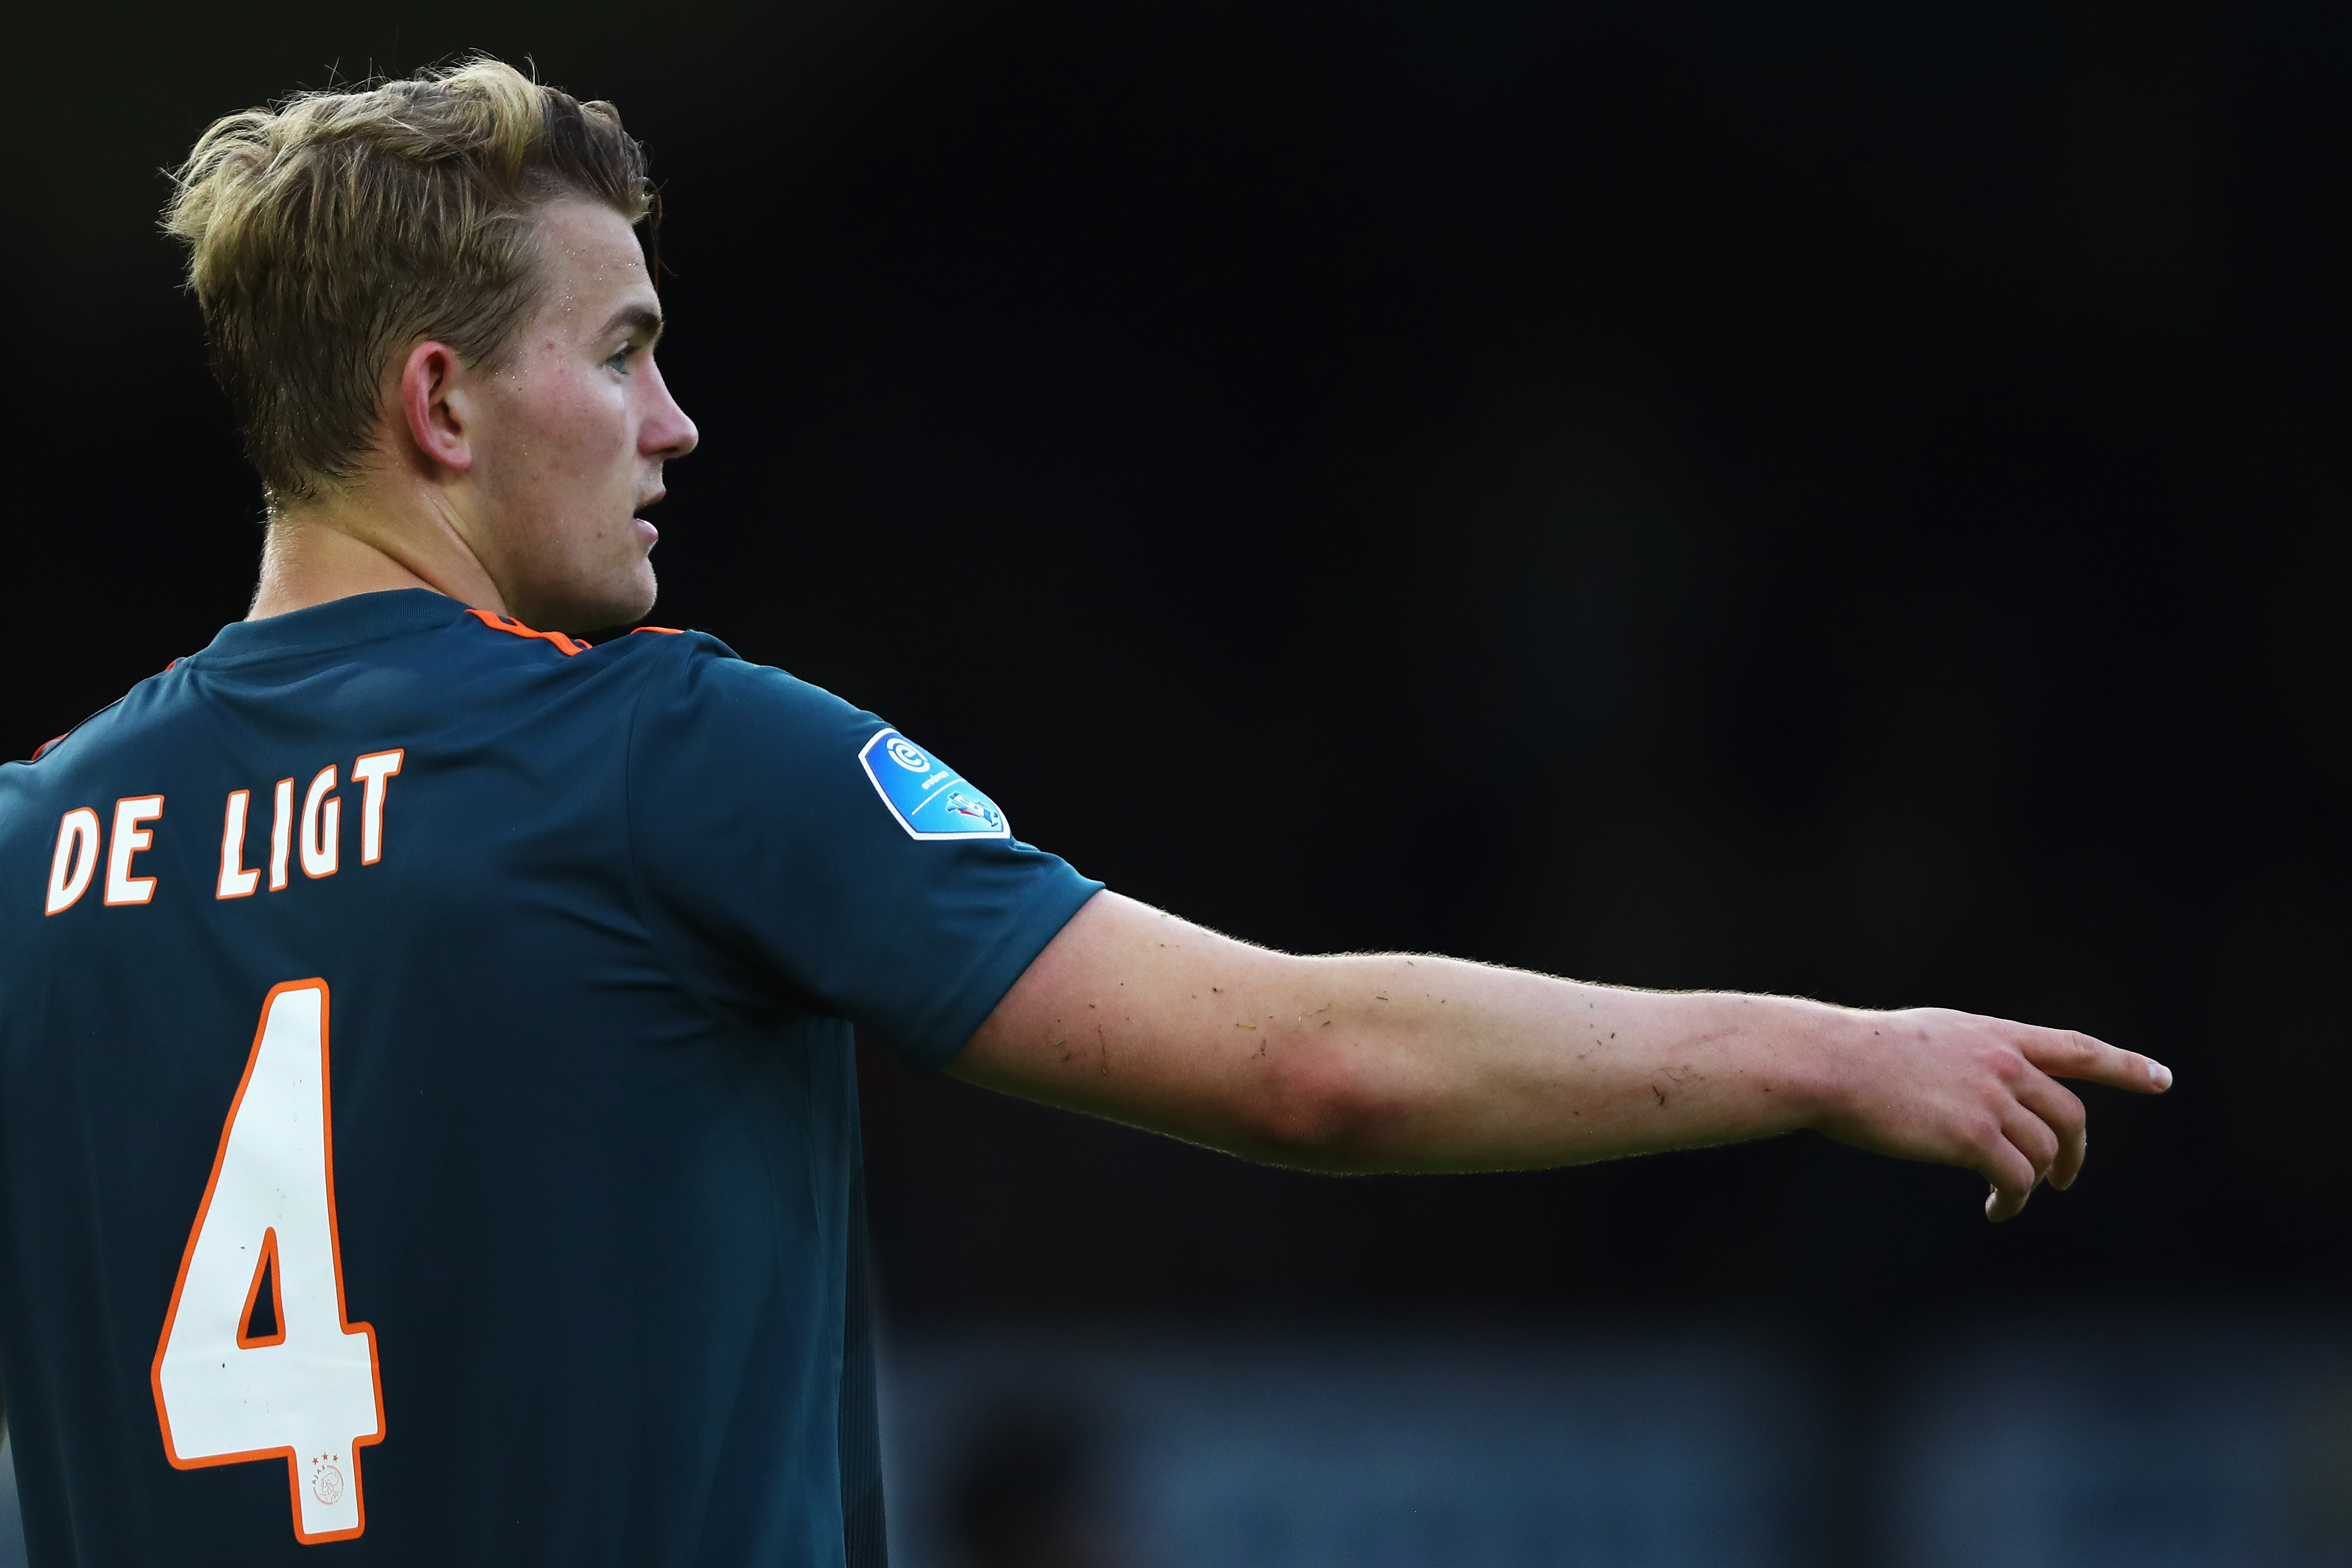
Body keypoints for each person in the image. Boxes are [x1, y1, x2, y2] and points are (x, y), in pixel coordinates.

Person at [0, 55, 2170, 1568]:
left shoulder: (29, 848)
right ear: (440, 402)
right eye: (628, 348)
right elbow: (1305, 1062)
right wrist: (1828, 1049)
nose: (679, 420)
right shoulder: (664, 750)